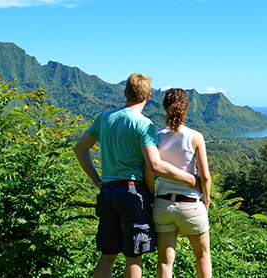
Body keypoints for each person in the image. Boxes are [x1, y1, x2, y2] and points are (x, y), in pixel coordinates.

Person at [73, 74, 198, 278]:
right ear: (148, 96)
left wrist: (98, 180)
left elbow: (80, 149)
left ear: (125, 93)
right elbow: (155, 164)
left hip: (108, 192)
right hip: (132, 193)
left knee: (107, 256)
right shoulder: (143, 124)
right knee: (133, 257)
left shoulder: (104, 118)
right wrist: (189, 178)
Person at [150, 88, 212, 278]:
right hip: (190, 204)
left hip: (162, 204)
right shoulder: (195, 136)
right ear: (186, 108)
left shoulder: (155, 135)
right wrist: (206, 201)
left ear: (164, 107)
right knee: (202, 256)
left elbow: (151, 172)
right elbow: (206, 176)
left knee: (164, 262)